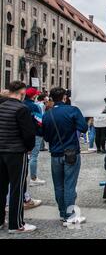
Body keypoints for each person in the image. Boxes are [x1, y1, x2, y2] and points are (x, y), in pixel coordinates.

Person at [42, 87, 88, 226]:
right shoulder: (72, 110)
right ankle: (70, 215)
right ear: (64, 97)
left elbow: (47, 137)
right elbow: (84, 127)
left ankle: (62, 213)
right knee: (69, 184)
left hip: (55, 153)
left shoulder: (47, 114)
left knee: (58, 185)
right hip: (71, 152)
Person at [0, 81, 37, 233]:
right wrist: (29, 148)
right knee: (17, 188)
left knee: (1, 187)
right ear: (22, 93)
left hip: (0, 150)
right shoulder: (22, 108)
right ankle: (16, 225)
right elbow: (28, 134)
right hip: (16, 152)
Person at [24, 87, 45, 186]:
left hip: (24, 134)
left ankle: (24, 177)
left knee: (26, 156)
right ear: (33, 96)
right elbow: (40, 121)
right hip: (35, 133)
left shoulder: (22, 104)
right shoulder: (34, 106)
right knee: (34, 156)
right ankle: (33, 178)